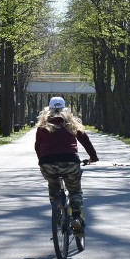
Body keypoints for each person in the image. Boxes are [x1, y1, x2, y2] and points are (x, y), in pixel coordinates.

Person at [34, 96, 99, 235]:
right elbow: (85, 141)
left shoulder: (43, 125)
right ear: (65, 109)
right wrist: (93, 157)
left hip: (47, 163)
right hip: (70, 161)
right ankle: (76, 217)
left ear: (48, 109)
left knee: (53, 186)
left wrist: (43, 160)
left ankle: (57, 214)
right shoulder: (71, 124)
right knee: (75, 190)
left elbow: (37, 146)